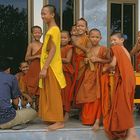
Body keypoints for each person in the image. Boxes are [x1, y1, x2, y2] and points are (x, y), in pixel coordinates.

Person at [102, 32, 139, 140]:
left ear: (122, 40)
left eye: (115, 40)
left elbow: (113, 64)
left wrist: (105, 68)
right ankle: (131, 133)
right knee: (126, 105)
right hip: (129, 79)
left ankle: (132, 134)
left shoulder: (117, 49)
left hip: (125, 80)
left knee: (123, 106)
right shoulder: (125, 50)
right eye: (111, 41)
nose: (113, 42)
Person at [76, 28, 111, 131]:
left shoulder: (104, 49)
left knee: (98, 97)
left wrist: (98, 59)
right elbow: (86, 64)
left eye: (97, 37)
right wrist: (86, 61)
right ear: (89, 38)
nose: (94, 39)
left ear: (100, 38)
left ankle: (97, 120)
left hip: (100, 75)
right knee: (87, 96)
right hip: (89, 76)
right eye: (92, 37)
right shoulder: (88, 50)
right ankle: (88, 119)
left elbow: (110, 60)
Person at [39, 4, 66, 131]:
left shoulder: (54, 29)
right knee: (48, 92)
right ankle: (51, 118)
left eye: (45, 13)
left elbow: (53, 49)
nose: (42, 16)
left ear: (52, 14)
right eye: (42, 13)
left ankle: (59, 121)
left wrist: (44, 68)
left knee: (53, 93)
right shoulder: (51, 29)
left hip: (51, 67)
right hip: (48, 65)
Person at [0, 57, 36, 129]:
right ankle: (12, 124)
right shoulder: (12, 78)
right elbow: (16, 103)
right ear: (9, 69)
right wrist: (29, 102)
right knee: (33, 112)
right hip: (5, 119)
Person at [69, 18, 91, 108]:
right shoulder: (73, 37)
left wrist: (77, 45)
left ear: (86, 28)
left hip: (83, 64)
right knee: (73, 84)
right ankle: (74, 106)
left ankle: (81, 108)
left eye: (82, 26)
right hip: (73, 62)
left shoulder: (88, 38)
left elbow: (89, 51)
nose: (80, 28)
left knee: (81, 85)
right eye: (78, 26)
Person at [25, 25, 43, 111]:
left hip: (41, 68)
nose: (37, 34)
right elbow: (27, 58)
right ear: (32, 34)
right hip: (33, 68)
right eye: (35, 32)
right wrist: (37, 56)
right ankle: (30, 109)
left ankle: (39, 109)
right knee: (32, 87)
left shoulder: (44, 45)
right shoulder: (31, 45)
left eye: (39, 32)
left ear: (42, 34)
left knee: (40, 89)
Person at [60, 30, 74, 121]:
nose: (62, 40)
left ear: (69, 39)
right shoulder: (56, 48)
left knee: (67, 93)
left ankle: (67, 112)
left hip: (66, 72)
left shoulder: (69, 47)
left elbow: (68, 60)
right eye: (60, 38)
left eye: (64, 38)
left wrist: (56, 58)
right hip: (58, 72)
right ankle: (60, 112)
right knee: (60, 93)